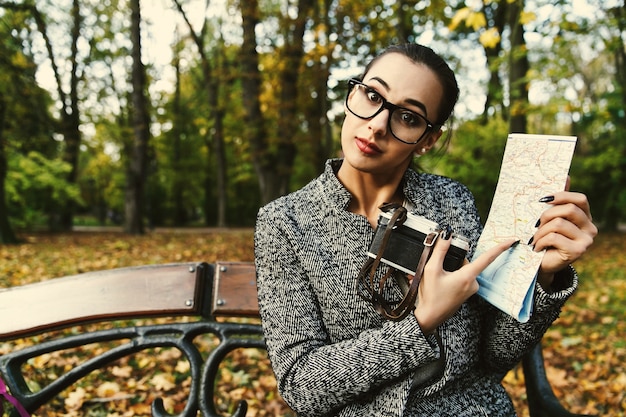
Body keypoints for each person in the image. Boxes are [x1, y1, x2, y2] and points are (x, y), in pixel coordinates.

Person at [254, 43, 597, 417]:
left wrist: (545, 273)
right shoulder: (284, 222)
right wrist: (421, 323)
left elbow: (493, 357)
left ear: (428, 140)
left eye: (409, 117)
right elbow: (301, 386)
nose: (378, 124)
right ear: (352, 93)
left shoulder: (453, 201)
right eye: (372, 96)